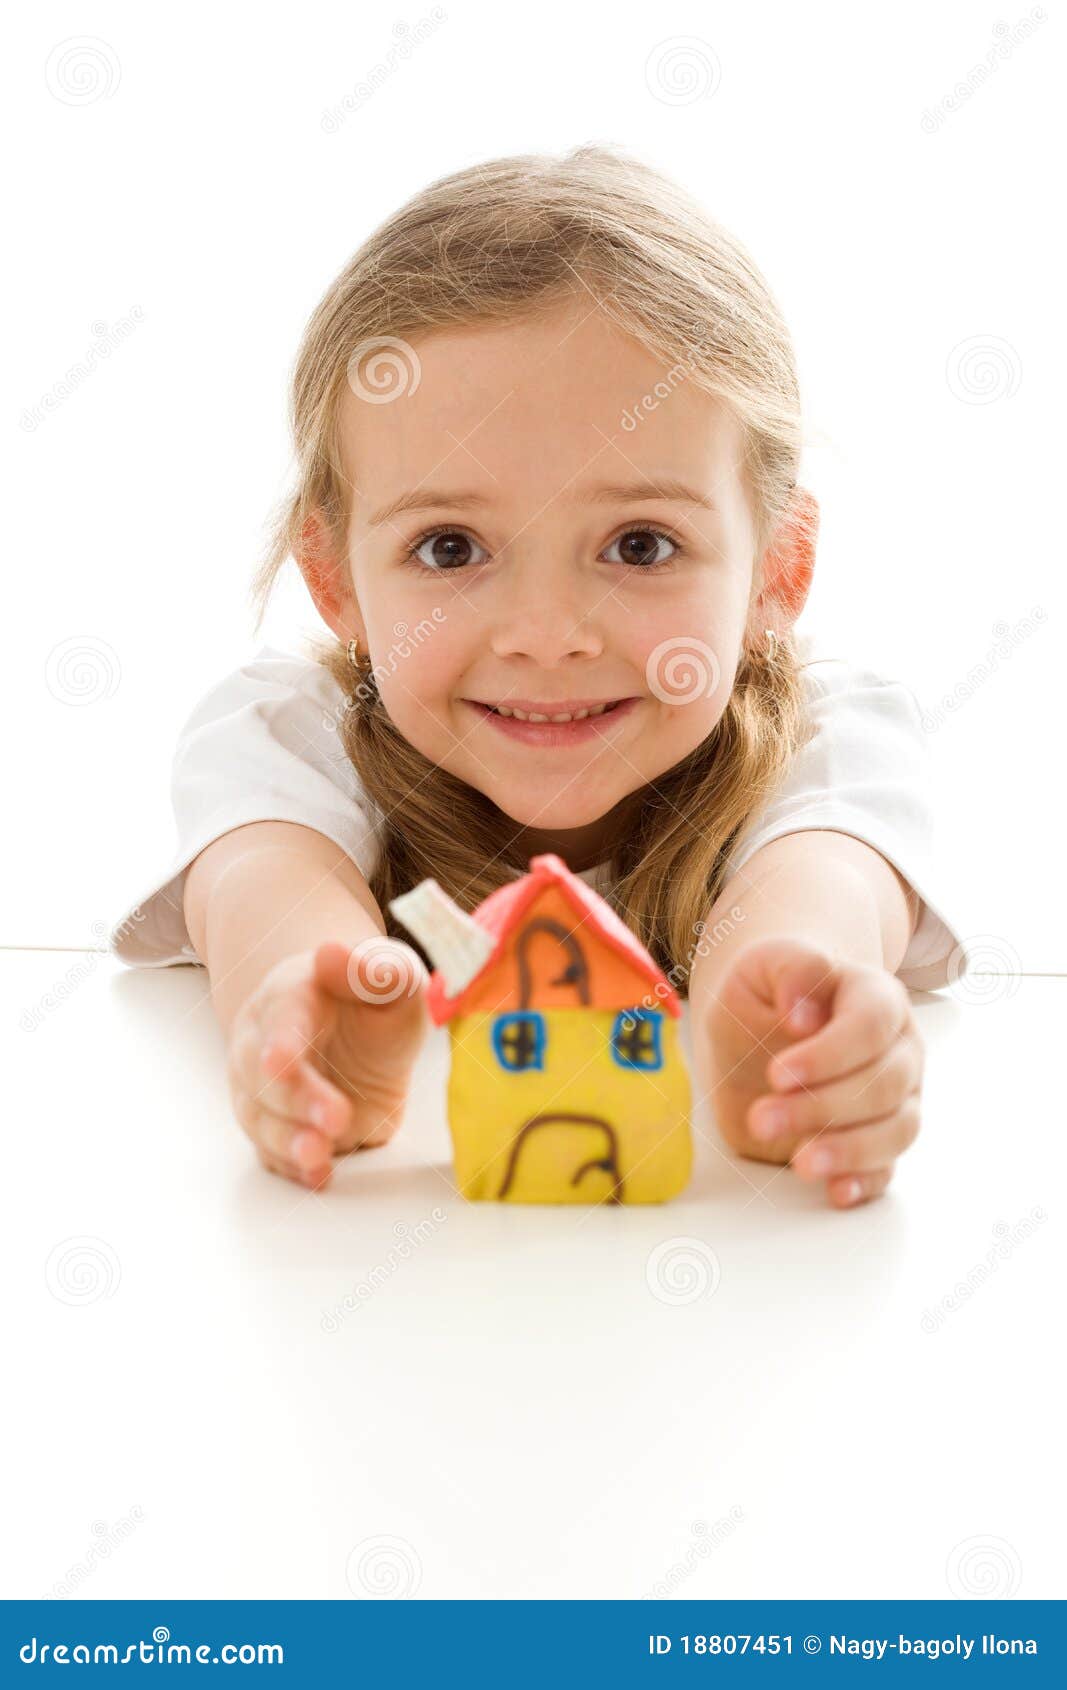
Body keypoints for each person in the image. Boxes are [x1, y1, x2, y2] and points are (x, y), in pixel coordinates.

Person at [109, 145, 967, 1206]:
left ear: (774, 573)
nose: (547, 634)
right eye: (450, 549)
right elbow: (266, 892)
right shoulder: (291, 731)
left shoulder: (830, 738)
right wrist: (319, 1009)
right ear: (331, 577)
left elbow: (816, 894)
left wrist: (782, 1027)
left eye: (640, 545)